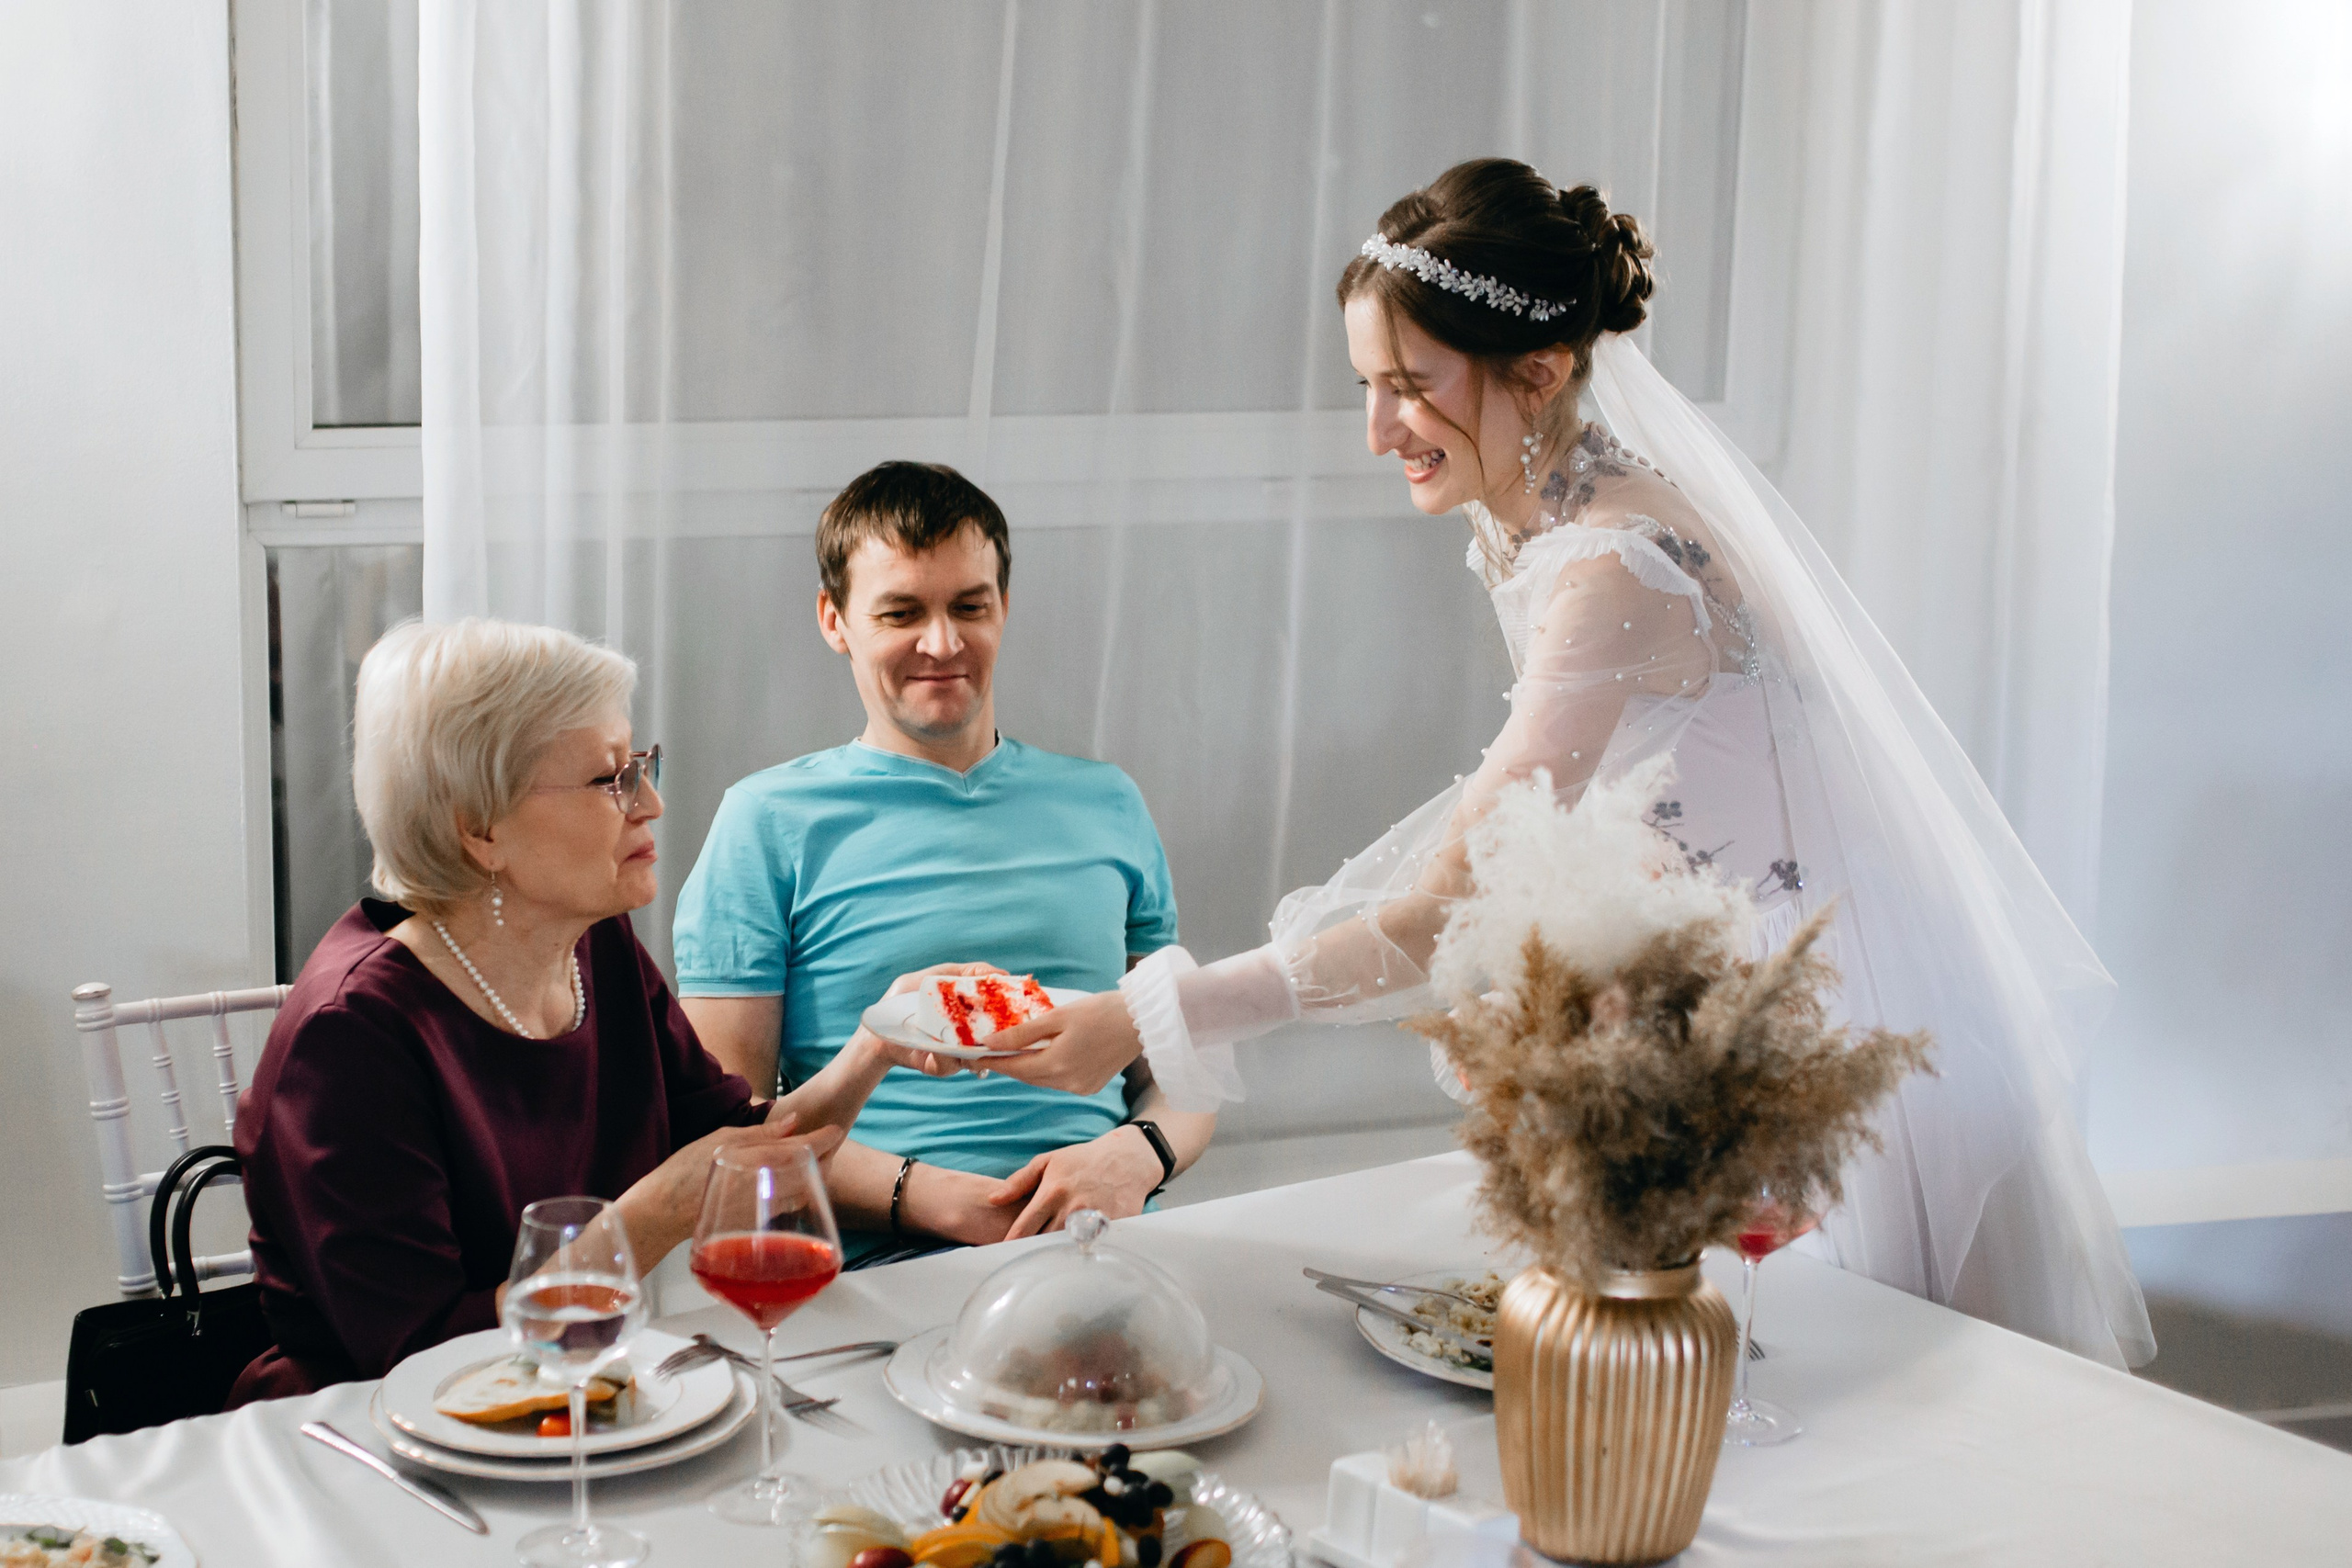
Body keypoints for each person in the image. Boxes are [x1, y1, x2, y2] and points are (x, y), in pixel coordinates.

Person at [967, 159, 2154, 1370]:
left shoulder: (1611, 565)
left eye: (1408, 388)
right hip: (1722, 1025)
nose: (1377, 430)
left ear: (1536, 373)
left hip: (1811, 1074)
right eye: (1367, 386)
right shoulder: (1546, 503)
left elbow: (1448, 898)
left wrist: (1153, 1014)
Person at [229, 618, 913, 1403]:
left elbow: (751, 1154)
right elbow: (416, 1356)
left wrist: (877, 1044)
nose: (649, 802)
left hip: (586, 1391)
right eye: (609, 778)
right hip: (373, 1441)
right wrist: (653, 1213)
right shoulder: (350, 1035)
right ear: (478, 827)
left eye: (640, 765)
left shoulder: (598, 945)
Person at [671, 461, 1213, 1265]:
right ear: (834, 619)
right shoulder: (766, 822)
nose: (943, 643)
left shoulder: (1108, 802)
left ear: (1004, 608)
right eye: (901, 612)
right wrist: (943, 1202)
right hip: (885, 1264)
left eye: (970, 607)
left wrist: (1140, 1153)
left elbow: (1183, 1058)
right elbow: (726, 1136)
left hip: (1109, 1248)